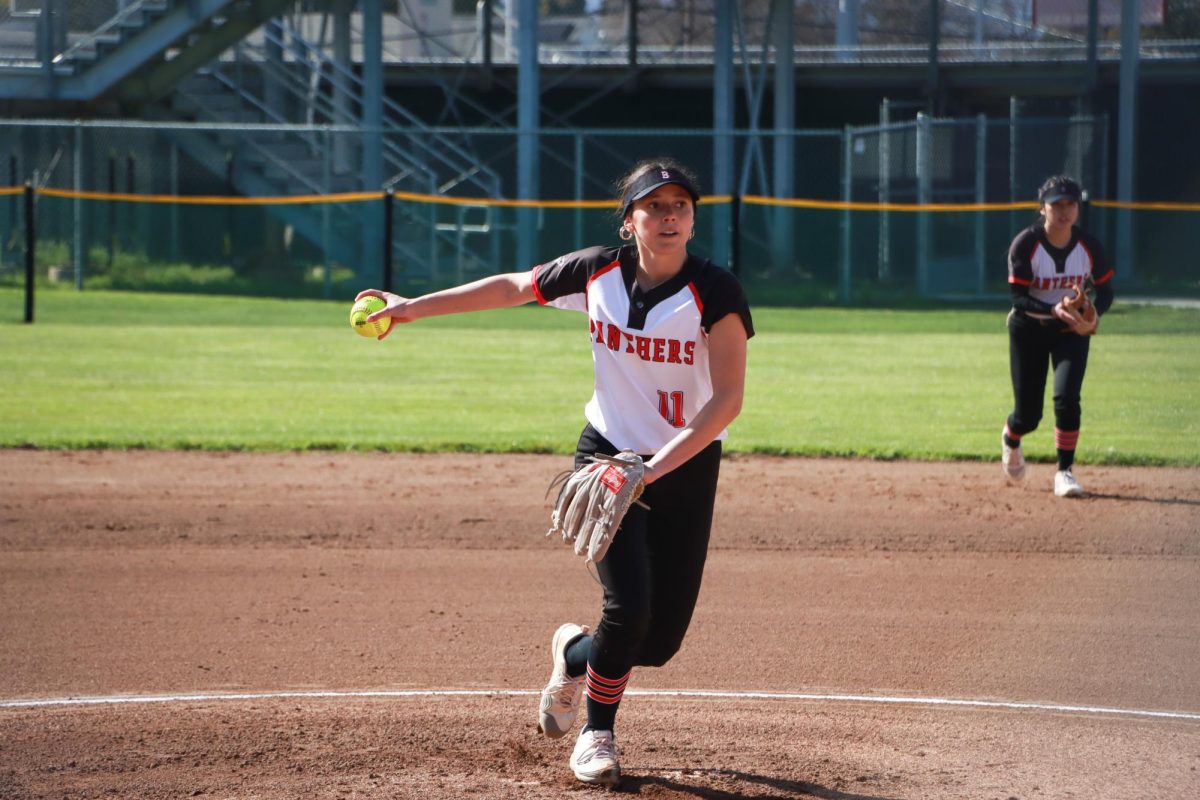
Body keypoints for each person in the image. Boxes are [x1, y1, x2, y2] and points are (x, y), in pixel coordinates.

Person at [355, 159, 754, 786]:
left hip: (681, 466)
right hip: (605, 458)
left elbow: (726, 400)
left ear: (694, 220)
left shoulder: (717, 291)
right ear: (631, 222)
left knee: (658, 642)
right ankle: (598, 735)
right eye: (654, 205)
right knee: (628, 609)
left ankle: (573, 656)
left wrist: (649, 472)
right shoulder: (598, 271)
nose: (669, 215)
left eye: (680, 204)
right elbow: (514, 286)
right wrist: (410, 309)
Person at [1001, 175, 1114, 497]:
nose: (1064, 211)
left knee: (1066, 398)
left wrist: (1092, 315)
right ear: (1042, 209)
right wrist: (1054, 310)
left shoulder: (1089, 246)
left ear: (1077, 208)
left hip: (1070, 332)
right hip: (1029, 330)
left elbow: (1105, 292)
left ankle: (1064, 472)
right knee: (1029, 415)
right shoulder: (1026, 244)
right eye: (1056, 204)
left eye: (1070, 204)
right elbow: (1018, 298)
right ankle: (1011, 437)